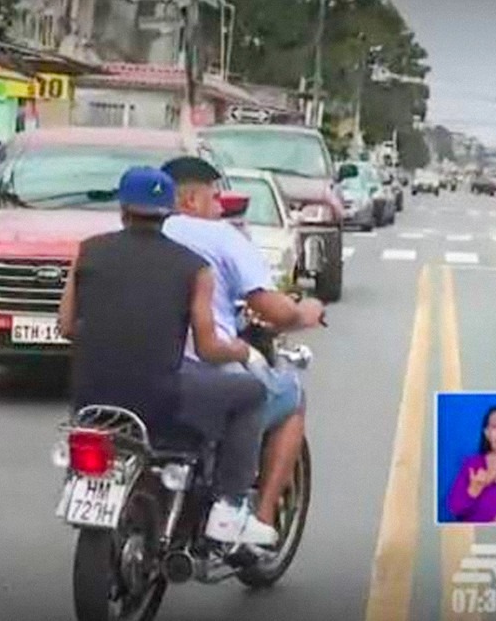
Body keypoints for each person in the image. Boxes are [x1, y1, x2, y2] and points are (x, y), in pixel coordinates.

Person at [58, 166, 278, 546]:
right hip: (161, 398)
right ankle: (229, 508)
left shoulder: (88, 250)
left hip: (90, 397)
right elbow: (209, 349)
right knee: (251, 394)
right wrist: (241, 349)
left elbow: (65, 325)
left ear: (123, 207)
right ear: (169, 211)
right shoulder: (194, 268)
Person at [159, 156, 324, 533]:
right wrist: (306, 312)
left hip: (132, 368)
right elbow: (270, 307)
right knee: (287, 395)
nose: (220, 208)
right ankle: (252, 518)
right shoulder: (221, 237)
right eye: (215, 198)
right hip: (201, 367)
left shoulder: (137, 235)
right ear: (190, 201)